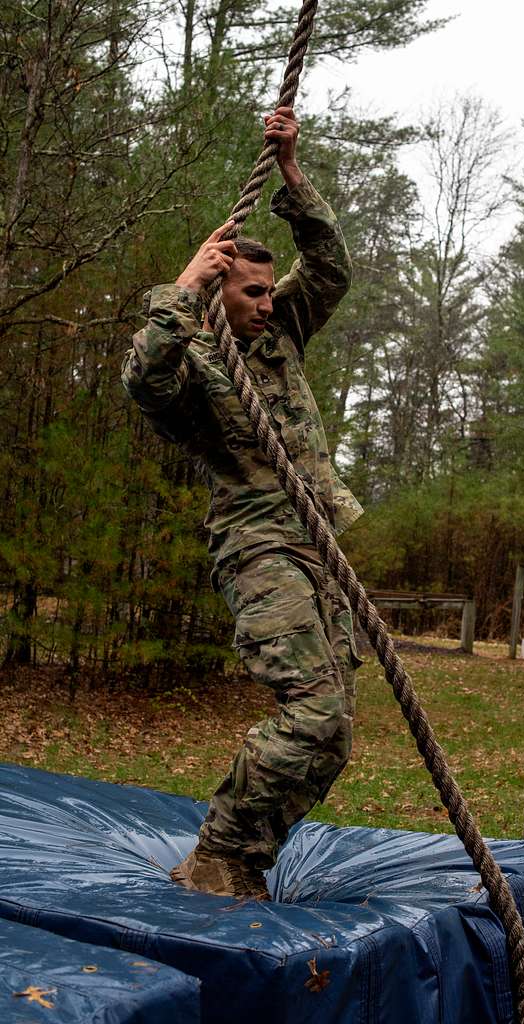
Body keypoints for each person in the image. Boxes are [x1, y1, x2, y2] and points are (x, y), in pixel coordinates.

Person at [121, 107, 362, 899]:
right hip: (260, 545)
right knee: (314, 713)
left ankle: (242, 863)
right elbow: (142, 383)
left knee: (334, 734)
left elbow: (329, 266)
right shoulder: (189, 361)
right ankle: (216, 855)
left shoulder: (279, 332)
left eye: (267, 290)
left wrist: (291, 172)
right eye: (250, 291)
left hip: (317, 542)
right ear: (218, 291)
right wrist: (184, 288)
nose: (266, 301)